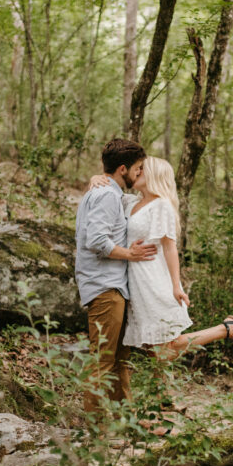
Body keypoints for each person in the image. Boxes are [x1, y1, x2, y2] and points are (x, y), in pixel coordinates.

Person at [89, 156, 233, 362]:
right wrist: (96, 177)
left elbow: (170, 247)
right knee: (154, 350)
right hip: (136, 282)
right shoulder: (131, 202)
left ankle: (226, 329)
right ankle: (163, 394)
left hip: (153, 280)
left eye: (143, 169)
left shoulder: (162, 205)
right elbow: (110, 190)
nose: (137, 171)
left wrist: (176, 286)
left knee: (164, 351)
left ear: (155, 175)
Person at [75, 139, 157, 415]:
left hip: (113, 287)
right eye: (137, 168)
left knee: (119, 359)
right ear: (123, 169)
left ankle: (125, 424)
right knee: (102, 359)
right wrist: (129, 254)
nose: (139, 173)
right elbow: (96, 240)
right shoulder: (106, 195)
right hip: (104, 287)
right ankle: (95, 432)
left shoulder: (109, 192)